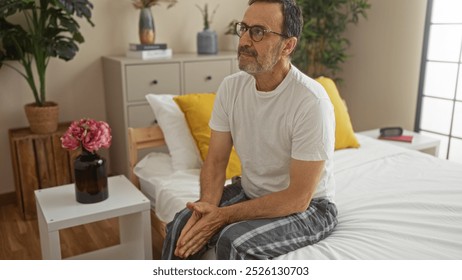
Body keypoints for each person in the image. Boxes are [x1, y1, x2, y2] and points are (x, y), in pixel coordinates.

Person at [162, 0, 338, 260]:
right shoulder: (231, 88)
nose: (244, 40)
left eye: (258, 32)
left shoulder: (311, 101)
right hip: (252, 191)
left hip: (310, 208)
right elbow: (216, 160)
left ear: (287, 46)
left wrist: (222, 217)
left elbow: (298, 198)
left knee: (233, 241)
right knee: (182, 225)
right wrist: (207, 210)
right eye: (243, 28)